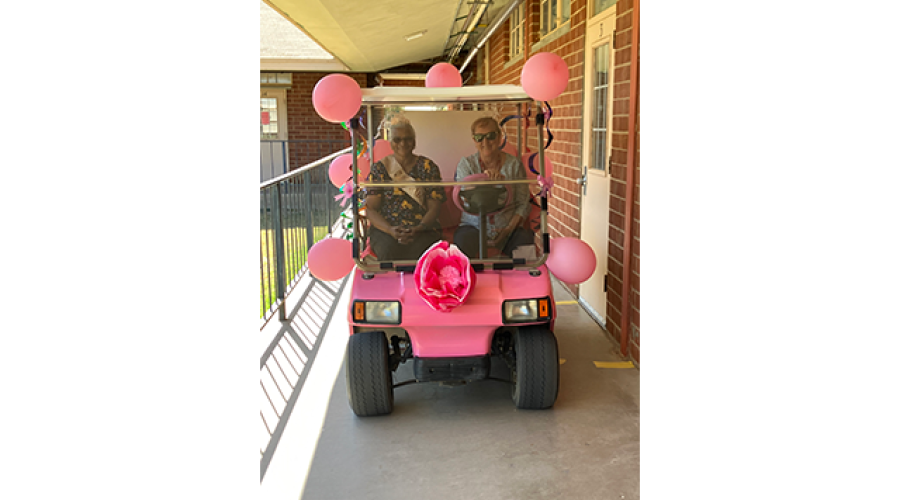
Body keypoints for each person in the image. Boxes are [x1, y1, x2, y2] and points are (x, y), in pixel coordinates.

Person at [365, 119, 446, 261]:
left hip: (423, 229)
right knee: (387, 250)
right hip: (386, 229)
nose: (403, 143)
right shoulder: (380, 169)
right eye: (397, 139)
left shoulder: (428, 167)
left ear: (414, 142)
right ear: (391, 143)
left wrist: (419, 229)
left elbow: (434, 208)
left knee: (421, 253)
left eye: (408, 139)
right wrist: (390, 230)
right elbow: (371, 208)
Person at [454, 117, 534, 258]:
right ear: (474, 140)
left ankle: (522, 278)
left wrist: (507, 230)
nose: (485, 142)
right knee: (461, 241)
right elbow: (465, 198)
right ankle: (469, 278)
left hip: (507, 226)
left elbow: (523, 203)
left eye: (490, 136)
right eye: (479, 137)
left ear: (499, 137)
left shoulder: (514, 165)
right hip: (474, 227)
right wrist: (486, 182)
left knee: (524, 243)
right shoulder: (466, 164)